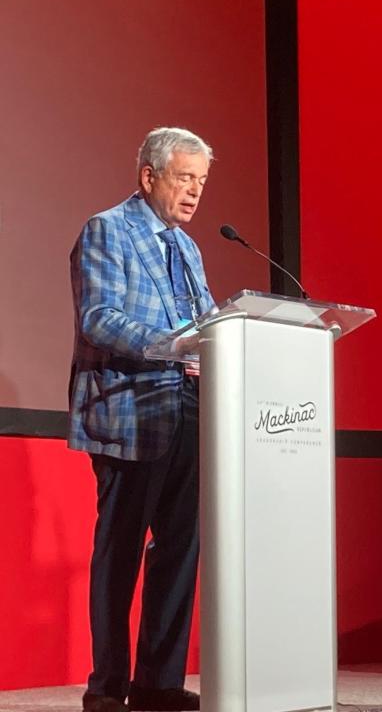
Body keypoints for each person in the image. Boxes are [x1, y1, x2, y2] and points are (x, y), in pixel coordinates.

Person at [69, 127, 216, 712]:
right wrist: (175, 346)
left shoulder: (188, 247)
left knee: (180, 547)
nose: (195, 192)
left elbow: (208, 322)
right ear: (149, 176)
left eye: (201, 182)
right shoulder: (108, 228)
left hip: (187, 407)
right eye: (185, 178)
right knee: (121, 550)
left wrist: (220, 344)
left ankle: (158, 683)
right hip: (129, 411)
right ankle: (106, 687)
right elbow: (98, 318)